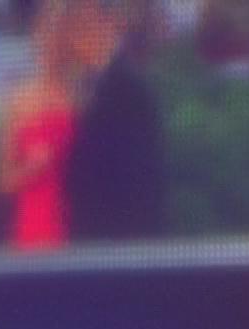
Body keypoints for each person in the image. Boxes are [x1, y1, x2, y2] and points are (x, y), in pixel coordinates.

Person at [62, 0, 166, 241]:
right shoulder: (83, 85)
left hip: (117, 240)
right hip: (83, 238)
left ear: (107, 24)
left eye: (82, 24)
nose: (73, 35)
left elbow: (139, 181)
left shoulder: (130, 90)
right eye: (72, 25)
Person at [0, 0, 80, 250]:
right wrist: (31, 169)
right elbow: (2, 180)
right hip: (32, 230)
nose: (52, 42)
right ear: (36, 37)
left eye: (60, 33)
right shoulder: (19, 99)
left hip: (76, 228)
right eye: (46, 32)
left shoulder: (82, 96)